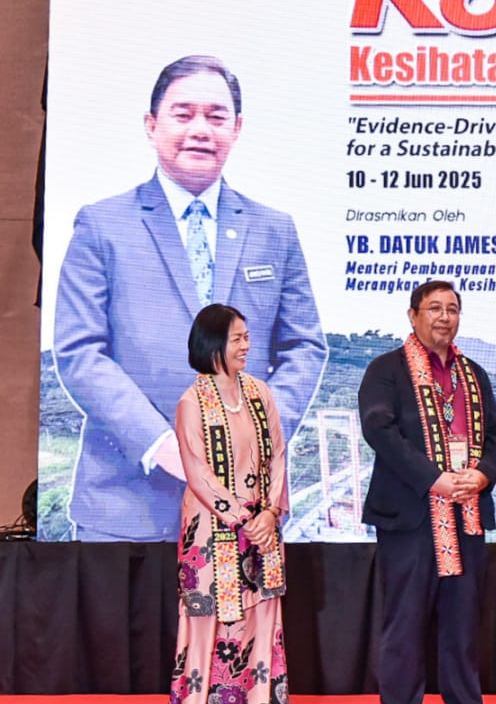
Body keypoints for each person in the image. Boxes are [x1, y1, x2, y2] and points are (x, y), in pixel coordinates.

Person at [54, 54, 327, 542]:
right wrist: (162, 445)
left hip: (245, 510)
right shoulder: (102, 225)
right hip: (125, 508)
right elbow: (80, 352)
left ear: (237, 129)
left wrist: (259, 437)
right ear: (151, 124)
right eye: (183, 114)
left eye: (216, 116)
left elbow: (304, 347)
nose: (201, 129)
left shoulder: (275, 230)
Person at [358, 280, 496, 704]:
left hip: (466, 514)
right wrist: (433, 479)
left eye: (452, 309)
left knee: (462, 624)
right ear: (413, 315)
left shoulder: (473, 373)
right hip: (410, 516)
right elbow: (379, 430)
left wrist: (482, 475)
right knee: (405, 623)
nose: (444, 317)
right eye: (434, 308)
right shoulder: (386, 370)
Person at [161, 304, 291, 704]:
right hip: (211, 533)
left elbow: (277, 455)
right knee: (209, 625)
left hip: (261, 529)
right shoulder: (191, 402)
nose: (246, 345)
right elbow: (197, 473)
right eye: (237, 338)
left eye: (246, 337)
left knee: (261, 621)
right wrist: (241, 518)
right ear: (212, 343)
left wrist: (270, 513)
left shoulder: (259, 393)